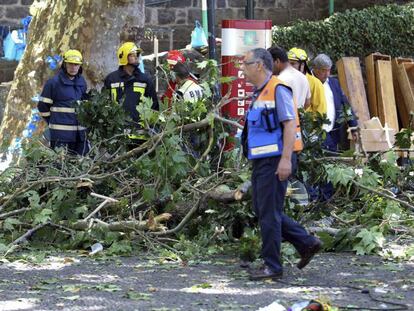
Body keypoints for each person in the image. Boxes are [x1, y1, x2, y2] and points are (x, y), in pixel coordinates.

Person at [240, 48, 322, 280]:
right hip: (263, 160)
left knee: (269, 214)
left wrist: (285, 160)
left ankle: (272, 266)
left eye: (246, 64)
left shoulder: (278, 89)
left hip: (276, 159)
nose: (242, 69)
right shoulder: (260, 92)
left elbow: (289, 125)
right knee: (263, 209)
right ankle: (306, 242)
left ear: (259, 65)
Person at [38, 49, 89, 156]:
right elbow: (43, 106)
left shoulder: (82, 83)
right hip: (60, 137)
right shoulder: (53, 83)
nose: (73, 67)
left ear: (80, 66)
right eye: (70, 64)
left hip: (79, 136)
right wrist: (52, 121)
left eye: (76, 65)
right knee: (60, 168)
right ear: (64, 64)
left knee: (80, 167)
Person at [104, 42, 159, 142]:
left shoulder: (145, 79)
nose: (137, 57)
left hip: (141, 137)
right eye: (133, 55)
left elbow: (154, 107)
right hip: (118, 137)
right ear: (124, 57)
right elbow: (105, 105)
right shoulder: (111, 79)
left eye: (137, 55)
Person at [312, 53, 358, 152]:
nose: (327, 74)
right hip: (315, 133)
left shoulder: (334, 83)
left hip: (333, 133)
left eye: (329, 70)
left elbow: (346, 105)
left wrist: (353, 127)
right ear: (315, 69)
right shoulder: (307, 82)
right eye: (324, 70)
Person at [287, 48, 327, 117]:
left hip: (307, 126)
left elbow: (321, 112)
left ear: (303, 65)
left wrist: (311, 126)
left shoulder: (315, 83)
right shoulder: (285, 80)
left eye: (293, 63)